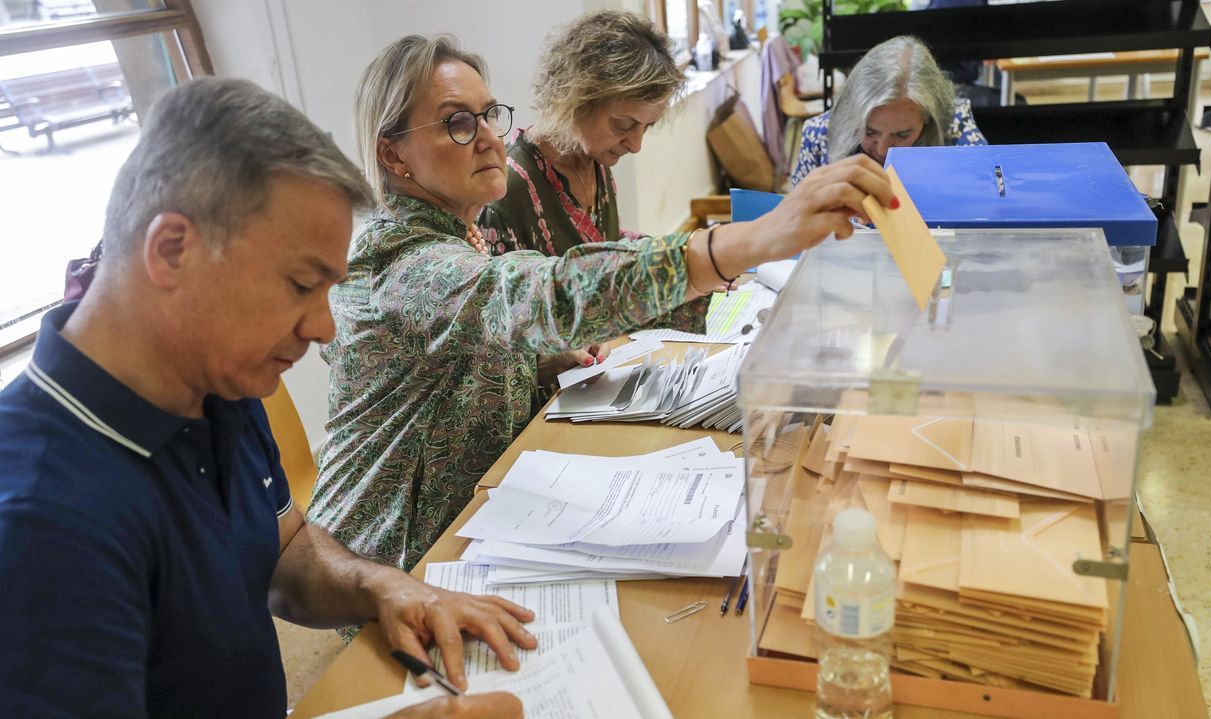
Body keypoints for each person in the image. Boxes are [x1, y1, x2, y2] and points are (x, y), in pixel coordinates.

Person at [0, 77, 535, 719]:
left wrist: (383, 585)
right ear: (172, 251)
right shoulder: (41, 519)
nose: (324, 329)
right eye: (301, 285)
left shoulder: (213, 383)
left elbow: (283, 552)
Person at [308, 34, 895, 585]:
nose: (489, 136)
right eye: (459, 123)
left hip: (478, 510)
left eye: (489, 114)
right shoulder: (402, 262)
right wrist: (748, 241)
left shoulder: (457, 233)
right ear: (394, 155)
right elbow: (539, 294)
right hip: (393, 561)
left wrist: (541, 361)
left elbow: (475, 341)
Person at [478, 10, 683, 256]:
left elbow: (603, 249)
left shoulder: (595, 160)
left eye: (647, 126)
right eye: (624, 125)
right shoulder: (507, 195)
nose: (636, 145)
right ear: (576, 99)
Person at [791, 35, 987, 186]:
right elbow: (797, 218)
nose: (883, 149)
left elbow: (986, 200)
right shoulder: (820, 135)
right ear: (852, 115)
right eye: (870, 132)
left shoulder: (955, 126)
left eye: (902, 135)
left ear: (928, 119)